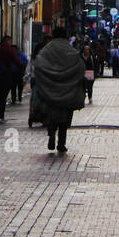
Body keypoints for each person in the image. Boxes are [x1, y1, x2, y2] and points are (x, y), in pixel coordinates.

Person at [31, 25, 86, 154]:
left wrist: (46, 79)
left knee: (51, 117)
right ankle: (61, 143)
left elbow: (38, 63)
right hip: (68, 91)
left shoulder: (47, 50)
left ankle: (51, 136)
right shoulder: (70, 50)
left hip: (50, 90)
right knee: (64, 121)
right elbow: (80, 66)